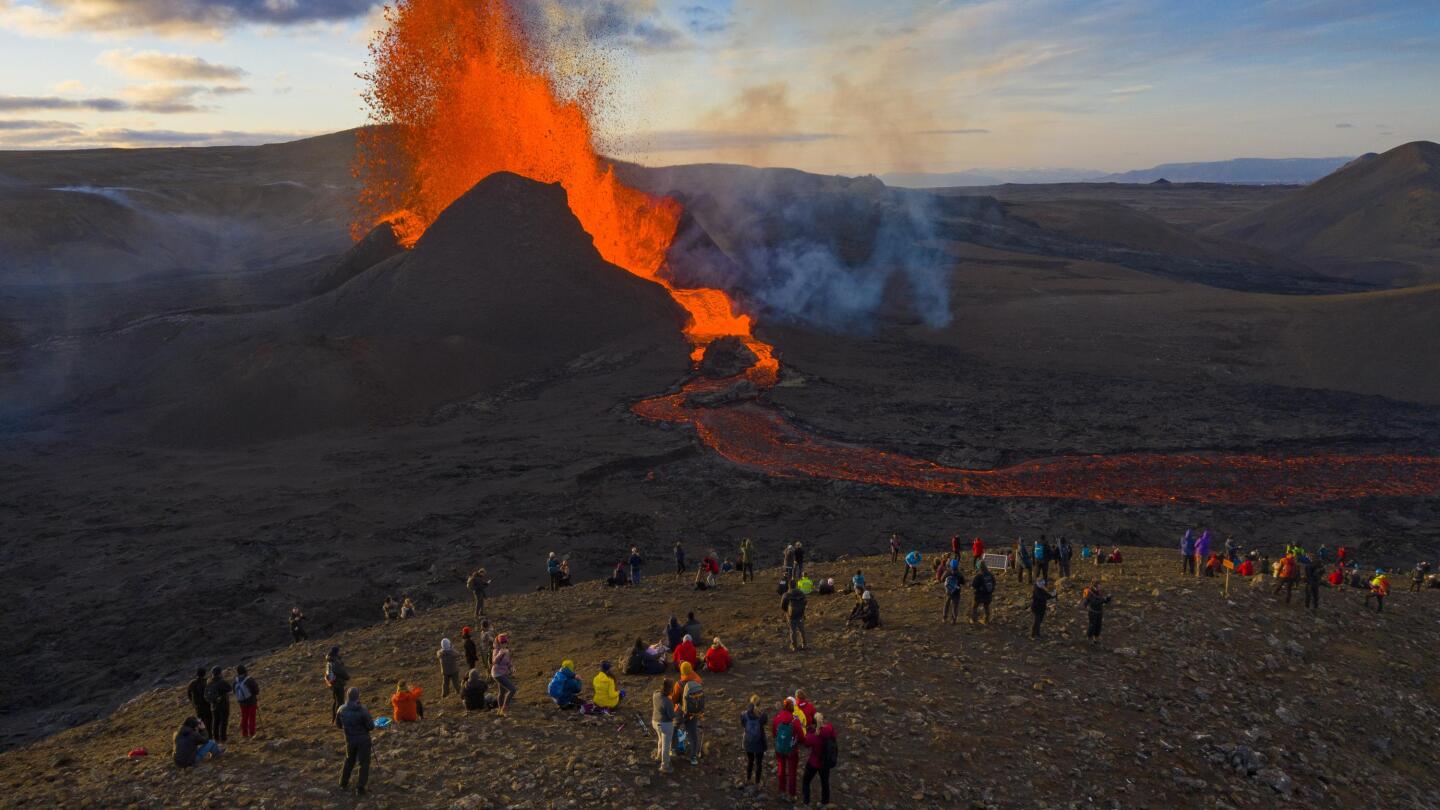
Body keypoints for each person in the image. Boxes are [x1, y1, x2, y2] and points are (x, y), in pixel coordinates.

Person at [334, 687, 374, 796]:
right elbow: (371, 727)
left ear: (347, 696)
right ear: (358, 696)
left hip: (350, 740)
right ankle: (360, 788)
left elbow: (338, 725)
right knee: (364, 763)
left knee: (349, 761)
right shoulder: (363, 710)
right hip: (363, 741)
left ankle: (343, 783)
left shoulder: (341, 709)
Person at [802, 711, 838, 806]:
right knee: (825, 782)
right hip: (825, 762)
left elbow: (806, 744)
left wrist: (809, 731)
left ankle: (806, 802)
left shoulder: (813, 735)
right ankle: (824, 802)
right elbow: (834, 736)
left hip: (813, 762)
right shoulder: (830, 728)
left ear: (814, 723)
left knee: (806, 781)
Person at [773, 697, 804, 801]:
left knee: (781, 768)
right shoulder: (795, 721)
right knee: (792, 771)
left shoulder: (777, 718)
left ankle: (782, 790)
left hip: (780, 748)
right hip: (792, 750)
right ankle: (792, 793)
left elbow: (774, 733)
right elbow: (801, 737)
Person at [740, 695, 768, 786]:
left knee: (750, 761)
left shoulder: (743, 715)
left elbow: (743, 724)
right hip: (760, 742)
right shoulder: (763, 715)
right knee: (759, 763)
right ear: (760, 704)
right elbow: (765, 723)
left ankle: (748, 779)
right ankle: (757, 782)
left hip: (748, 742)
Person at [652, 679, 676, 774]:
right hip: (665, 724)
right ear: (669, 689)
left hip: (655, 722)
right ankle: (665, 766)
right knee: (666, 746)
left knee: (660, 740)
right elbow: (671, 716)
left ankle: (658, 756)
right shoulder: (668, 702)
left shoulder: (655, 694)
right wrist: (676, 711)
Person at [680, 677, 705, 766]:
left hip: (682, 712)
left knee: (674, 729)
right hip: (694, 712)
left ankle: (674, 749)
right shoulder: (696, 681)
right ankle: (693, 756)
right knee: (693, 733)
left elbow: (674, 699)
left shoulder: (679, 685)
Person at [491, 634, 517, 716]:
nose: (504, 644)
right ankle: (504, 709)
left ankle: (500, 710)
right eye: (502, 642)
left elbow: (508, 662)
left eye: (505, 642)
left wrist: (512, 667)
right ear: (499, 643)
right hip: (497, 674)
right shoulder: (496, 650)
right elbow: (494, 662)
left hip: (503, 673)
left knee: (502, 692)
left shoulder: (507, 651)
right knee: (512, 689)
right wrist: (500, 653)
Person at [205, 666, 232, 743]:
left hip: (213, 706)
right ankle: (223, 738)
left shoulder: (209, 682)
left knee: (215, 722)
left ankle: (216, 738)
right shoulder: (221, 682)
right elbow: (229, 688)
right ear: (220, 673)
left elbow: (206, 696)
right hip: (223, 705)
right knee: (223, 722)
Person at [234, 664, 260, 738]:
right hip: (251, 701)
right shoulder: (249, 679)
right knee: (252, 717)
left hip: (242, 702)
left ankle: (244, 733)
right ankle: (252, 733)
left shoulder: (236, 681)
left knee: (244, 717)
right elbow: (256, 690)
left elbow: (234, 691)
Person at [781, 579, 808, 651]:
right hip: (800, 614)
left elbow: (782, 606)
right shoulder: (801, 593)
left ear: (789, 586)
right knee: (802, 630)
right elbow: (805, 602)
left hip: (791, 615)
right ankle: (804, 644)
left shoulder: (786, 594)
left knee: (793, 631)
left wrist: (787, 611)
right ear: (795, 585)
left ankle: (794, 646)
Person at [324, 646, 349, 717]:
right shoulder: (334, 662)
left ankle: (335, 717)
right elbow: (340, 672)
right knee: (340, 702)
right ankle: (339, 718)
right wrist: (347, 677)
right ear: (336, 653)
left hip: (333, 684)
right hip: (338, 684)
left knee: (336, 701)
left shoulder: (329, 662)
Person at [187, 668, 213, 733]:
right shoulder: (206, 682)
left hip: (198, 706)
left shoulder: (192, 683)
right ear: (204, 674)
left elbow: (189, 693)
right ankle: (209, 735)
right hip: (206, 704)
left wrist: (192, 701)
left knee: (200, 721)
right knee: (209, 720)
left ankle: (202, 735)